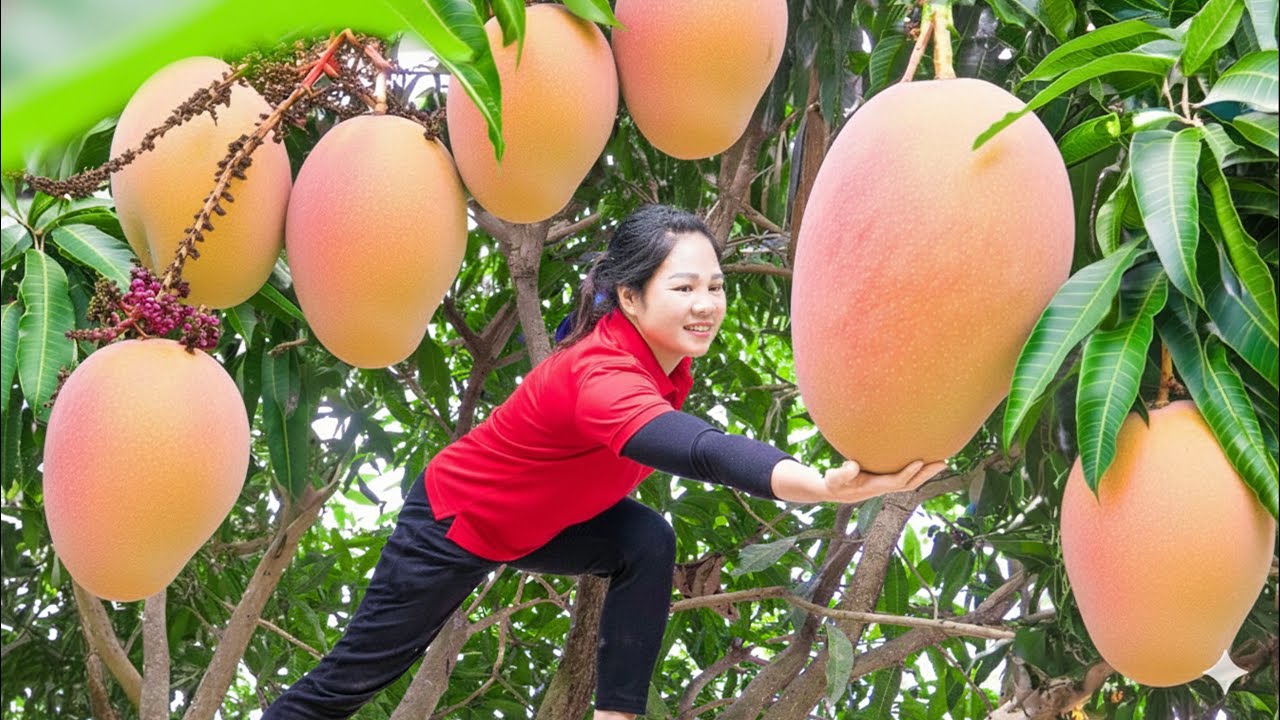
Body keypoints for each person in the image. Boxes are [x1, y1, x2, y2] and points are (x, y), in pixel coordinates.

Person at [263, 204, 945, 719]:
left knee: (645, 539)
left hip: (535, 522)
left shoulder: (660, 357)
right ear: (630, 296)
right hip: (454, 522)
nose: (707, 305)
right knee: (350, 683)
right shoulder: (602, 376)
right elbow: (700, 449)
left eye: (716, 285)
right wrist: (819, 484)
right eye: (684, 289)